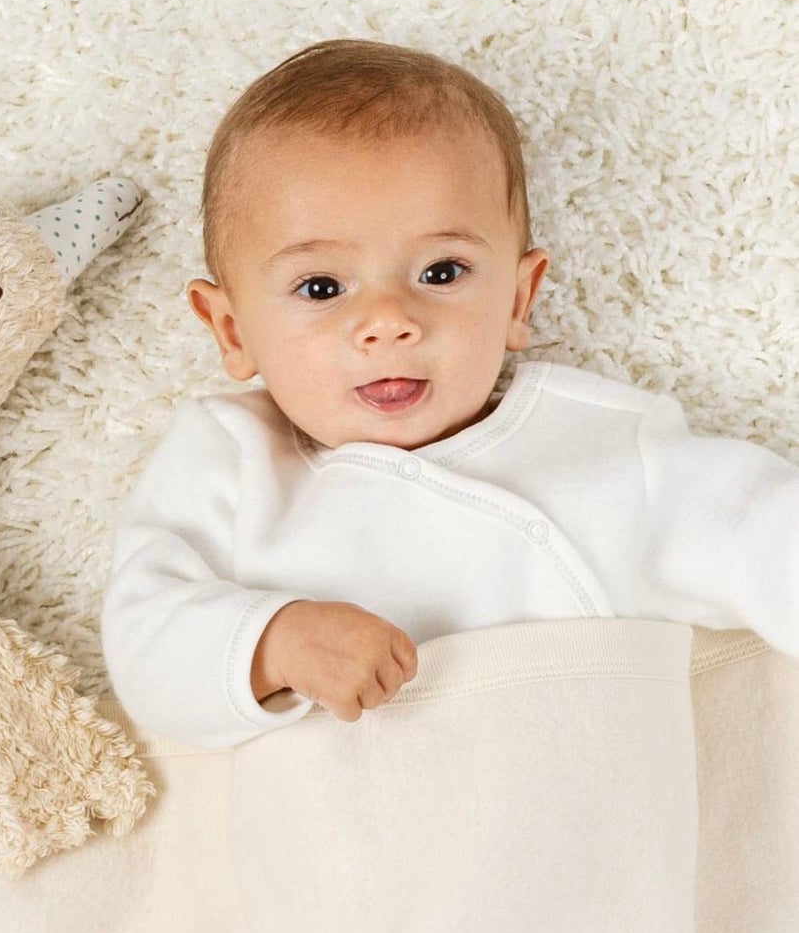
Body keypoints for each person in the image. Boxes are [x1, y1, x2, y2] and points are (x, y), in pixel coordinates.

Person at [100, 37, 799, 749]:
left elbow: (766, 534)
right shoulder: (231, 464)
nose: (387, 323)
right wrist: (270, 644)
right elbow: (144, 643)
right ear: (231, 328)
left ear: (518, 296)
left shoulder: (602, 451)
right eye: (320, 287)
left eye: (440, 272)